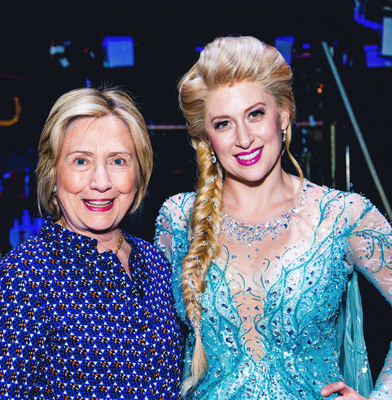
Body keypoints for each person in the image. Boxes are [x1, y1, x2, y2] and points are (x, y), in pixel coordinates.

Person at [154, 36, 392, 399]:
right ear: (207, 138)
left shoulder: (344, 216)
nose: (244, 138)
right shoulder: (179, 219)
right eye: (223, 124)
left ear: (283, 115)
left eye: (255, 114)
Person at [0, 87, 182, 399]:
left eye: (118, 161)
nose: (101, 182)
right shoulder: (21, 278)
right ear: (53, 173)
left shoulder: (154, 262)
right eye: (81, 161)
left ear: (138, 173)